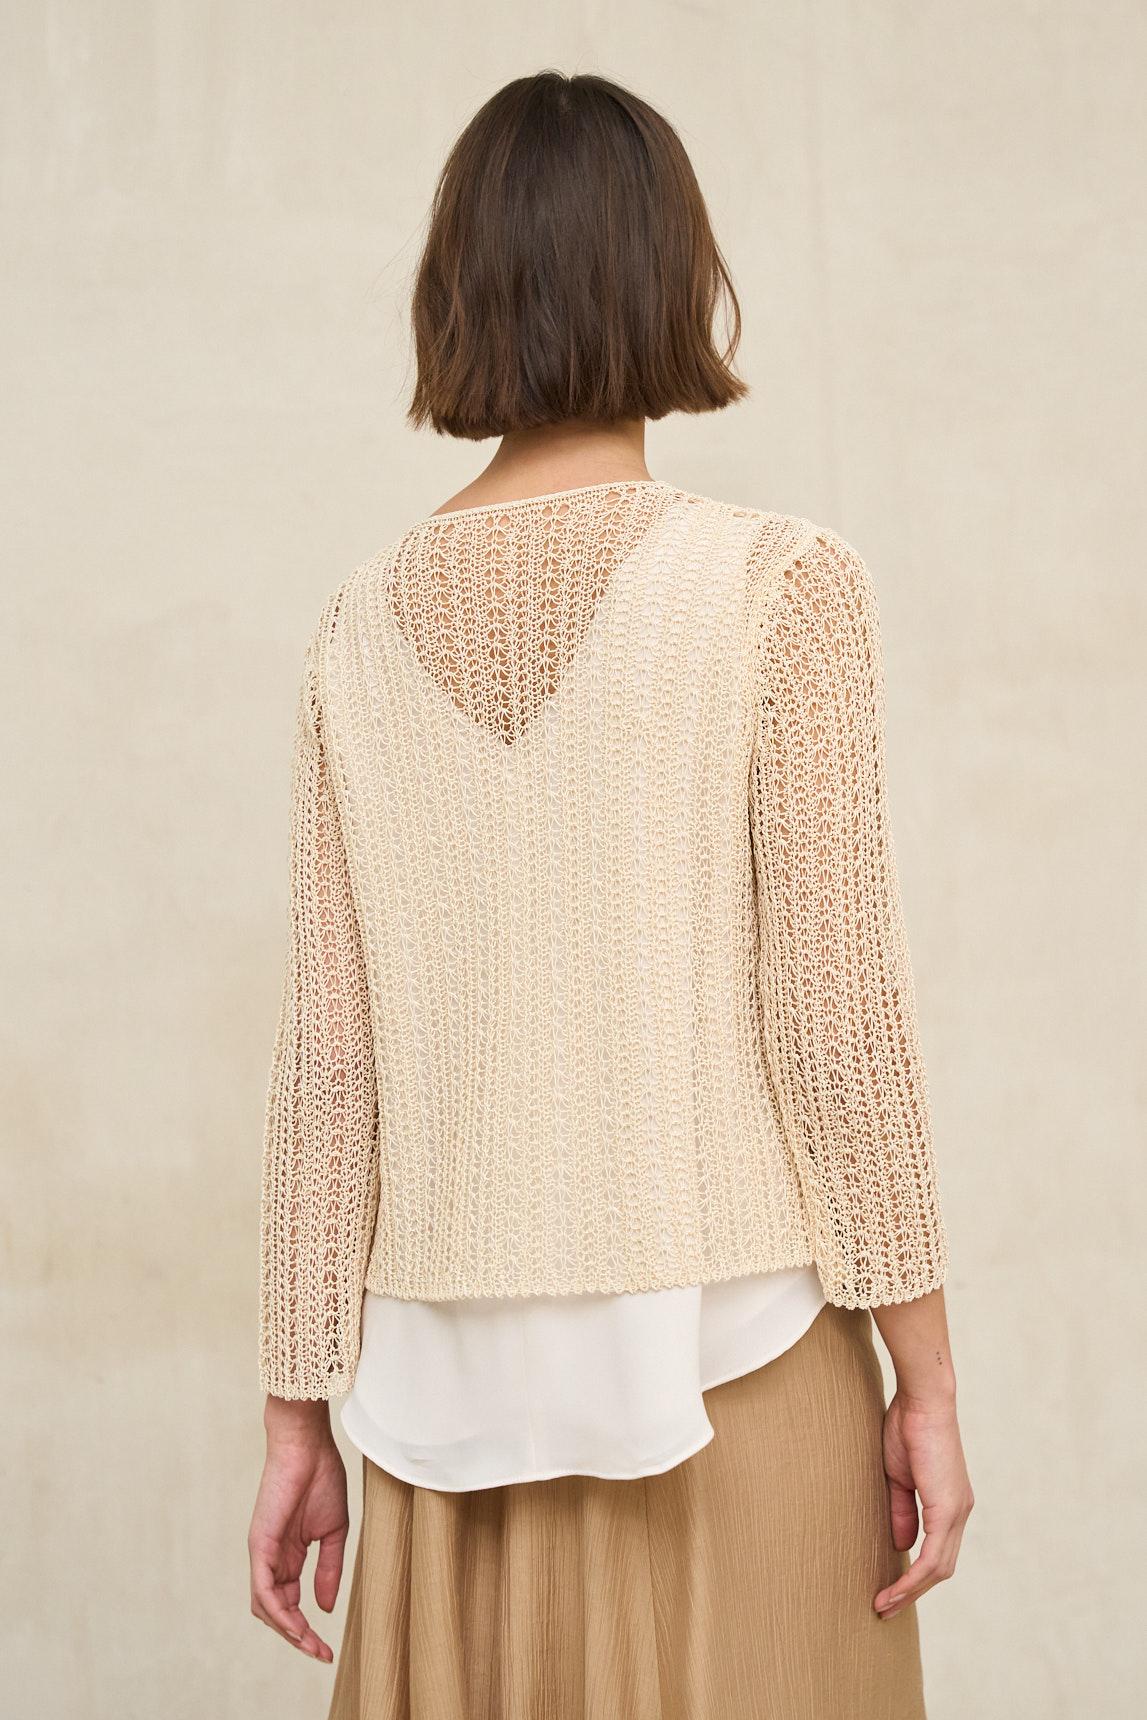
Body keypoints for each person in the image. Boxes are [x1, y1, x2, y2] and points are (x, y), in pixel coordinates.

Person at [247, 69, 973, 1720]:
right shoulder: (780, 587)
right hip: (744, 1374)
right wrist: (926, 1377)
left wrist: (295, 1414)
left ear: (455, 291)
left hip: (440, 1420)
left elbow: (328, 1069)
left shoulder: (353, 629)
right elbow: (836, 1021)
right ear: (676, 279)